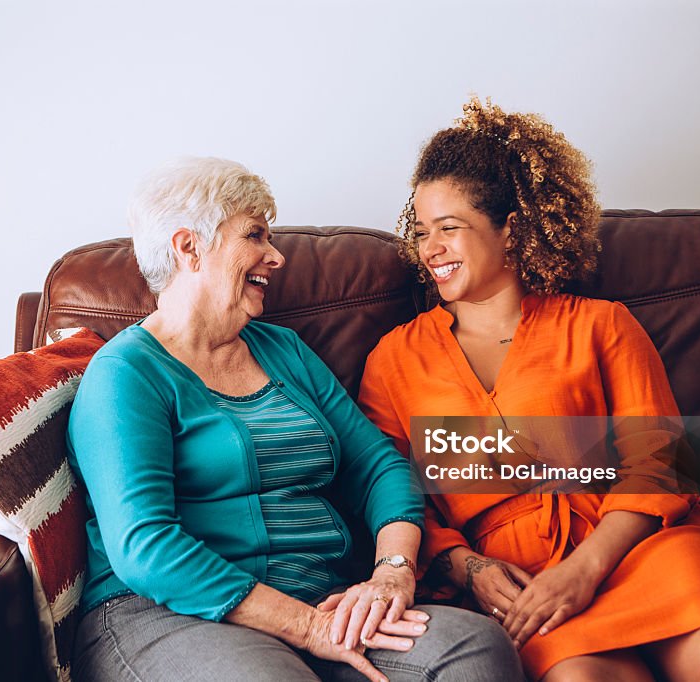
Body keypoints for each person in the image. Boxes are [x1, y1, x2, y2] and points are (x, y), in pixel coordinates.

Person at [358, 99, 700, 682]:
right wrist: (470, 567)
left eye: (450, 229)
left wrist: (584, 569)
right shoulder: (394, 359)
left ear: (511, 229)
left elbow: (659, 466)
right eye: (422, 232)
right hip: (520, 580)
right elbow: (397, 496)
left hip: (635, 548)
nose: (430, 249)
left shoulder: (602, 324)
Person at [67, 157, 523, 682]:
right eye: (255, 235)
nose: (275, 256)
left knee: (472, 648)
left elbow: (379, 466)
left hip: (322, 600)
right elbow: (143, 547)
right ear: (188, 246)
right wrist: (305, 627)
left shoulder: (283, 349)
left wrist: (391, 574)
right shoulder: (127, 374)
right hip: (168, 613)